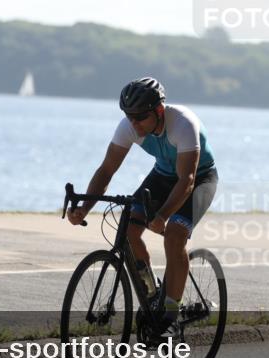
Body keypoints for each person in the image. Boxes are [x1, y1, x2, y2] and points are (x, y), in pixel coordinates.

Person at [67, 77, 219, 340]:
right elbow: (106, 170)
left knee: (174, 234)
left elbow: (187, 180)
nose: (133, 124)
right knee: (129, 230)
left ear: (159, 111)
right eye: (129, 117)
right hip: (162, 176)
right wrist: (84, 206)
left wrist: (162, 216)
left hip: (199, 179)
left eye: (140, 117)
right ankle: (152, 294)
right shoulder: (129, 126)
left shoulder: (183, 124)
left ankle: (171, 314)